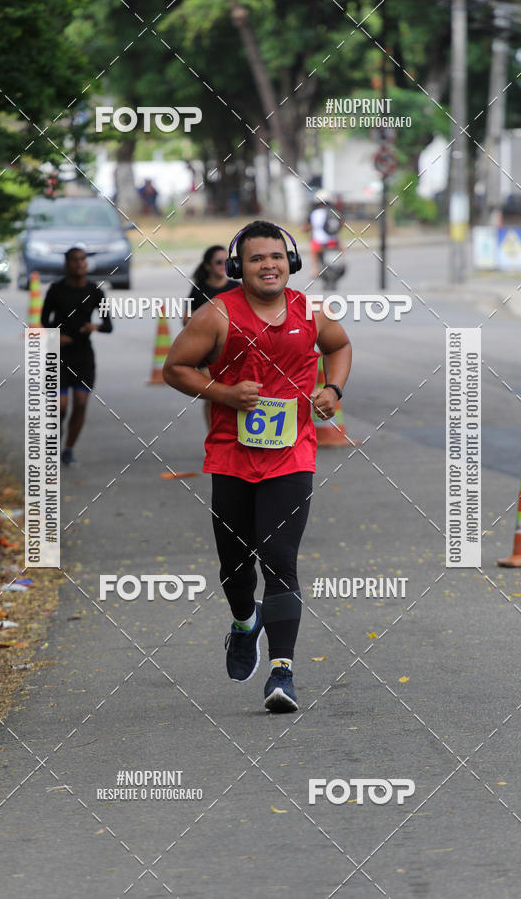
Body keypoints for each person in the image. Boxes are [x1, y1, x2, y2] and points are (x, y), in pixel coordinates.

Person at [163, 220, 351, 713]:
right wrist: (224, 393)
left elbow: (339, 346)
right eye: (256, 259)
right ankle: (245, 623)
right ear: (236, 268)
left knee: (280, 558)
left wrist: (332, 389)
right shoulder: (217, 315)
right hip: (231, 453)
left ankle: (282, 673)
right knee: (234, 564)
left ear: (290, 261)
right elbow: (175, 368)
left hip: (292, 453)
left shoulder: (308, 309)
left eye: (275, 256)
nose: (268, 265)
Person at [40, 247, 112, 465]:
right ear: (67, 264)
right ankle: (54, 441)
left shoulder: (96, 291)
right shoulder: (56, 289)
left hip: (83, 355)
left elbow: (108, 325)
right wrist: (56, 335)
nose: (79, 264)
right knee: (59, 406)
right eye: (74, 260)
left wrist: (95, 327)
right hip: (59, 354)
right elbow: (44, 320)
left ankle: (68, 449)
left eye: (82, 260)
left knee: (80, 403)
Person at [184, 246, 240, 428]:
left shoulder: (236, 288)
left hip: (233, 352)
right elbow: (186, 320)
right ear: (208, 266)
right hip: (207, 355)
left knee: (236, 397)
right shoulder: (198, 290)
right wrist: (209, 321)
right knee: (212, 397)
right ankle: (213, 434)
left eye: (227, 261)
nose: (223, 266)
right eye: (218, 262)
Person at [304, 190, 343, 278]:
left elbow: (307, 227)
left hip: (319, 242)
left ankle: (315, 270)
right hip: (334, 241)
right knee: (341, 246)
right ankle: (341, 264)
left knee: (312, 250)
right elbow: (341, 224)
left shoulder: (314, 213)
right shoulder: (335, 213)